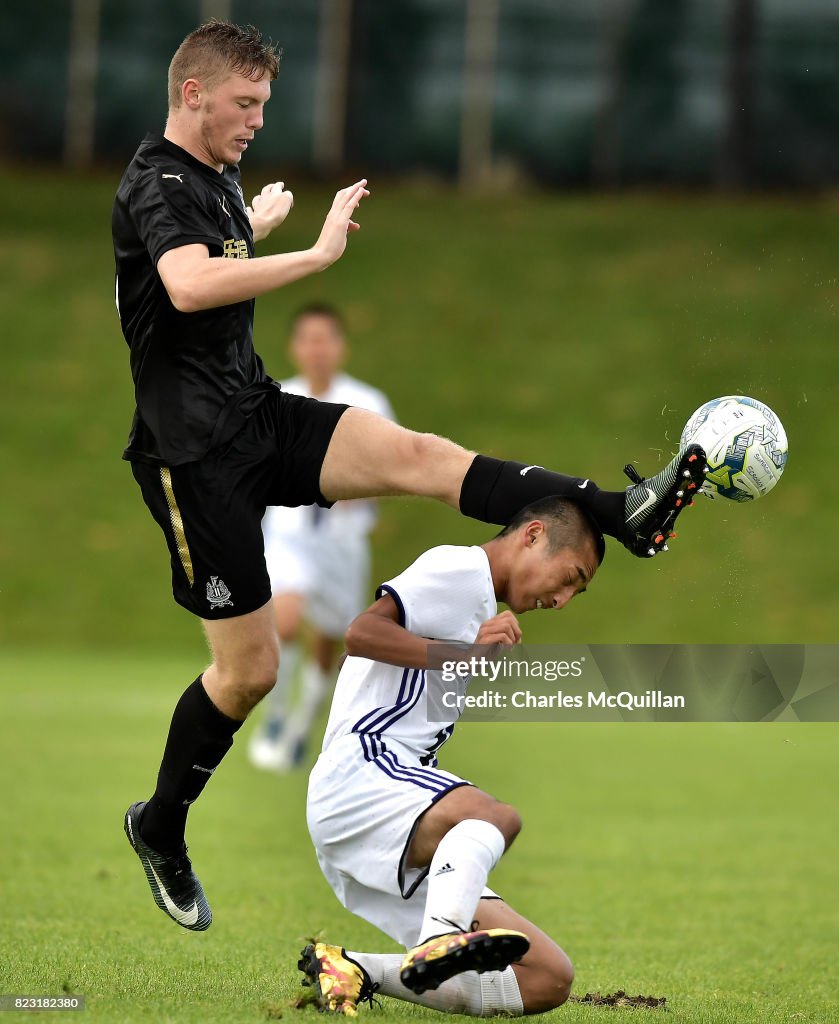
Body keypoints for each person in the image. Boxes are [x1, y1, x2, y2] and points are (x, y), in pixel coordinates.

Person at [113, 19, 706, 933]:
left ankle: (618, 511)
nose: (257, 120)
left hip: (256, 415)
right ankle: (159, 826)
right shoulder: (156, 180)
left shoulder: (215, 179)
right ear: (191, 94)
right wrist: (308, 254)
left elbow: (204, 264)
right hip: (193, 459)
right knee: (251, 673)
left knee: (420, 456)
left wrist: (252, 224)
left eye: (264, 104)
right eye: (245, 104)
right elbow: (185, 286)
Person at [299, 497, 602, 1017]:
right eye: (570, 576)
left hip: (378, 820)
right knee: (497, 818)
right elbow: (360, 634)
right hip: (361, 774)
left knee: (547, 978)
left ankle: (354, 969)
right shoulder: (461, 568)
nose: (564, 599)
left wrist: (465, 650)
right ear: (532, 536)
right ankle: (439, 939)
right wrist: (461, 656)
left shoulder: (475, 606)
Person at [249, 303, 396, 772]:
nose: (317, 349)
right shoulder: (277, 399)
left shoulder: (368, 402)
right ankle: (273, 716)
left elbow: (394, 467)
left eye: (326, 339)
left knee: (331, 639)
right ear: (295, 347)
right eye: (308, 339)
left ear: (340, 346)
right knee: (286, 622)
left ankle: (301, 726)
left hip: (342, 542)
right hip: (290, 535)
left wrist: (357, 485)